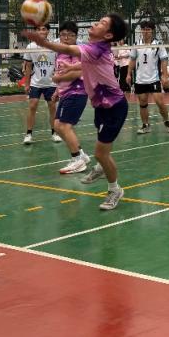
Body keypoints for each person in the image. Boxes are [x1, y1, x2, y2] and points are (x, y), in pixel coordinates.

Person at [25, 13, 130, 211]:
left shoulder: (95, 48)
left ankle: (115, 190)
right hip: (101, 107)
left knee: (100, 153)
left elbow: (66, 48)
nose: (95, 23)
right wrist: (71, 66)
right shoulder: (97, 49)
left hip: (114, 108)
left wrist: (42, 42)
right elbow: (87, 64)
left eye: (101, 23)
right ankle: (102, 166)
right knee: (102, 153)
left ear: (108, 35)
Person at [52, 20, 91, 175]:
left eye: (70, 35)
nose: (66, 37)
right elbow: (61, 72)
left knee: (65, 126)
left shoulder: (76, 51)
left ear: (76, 36)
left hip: (77, 92)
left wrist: (59, 78)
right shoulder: (60, 52)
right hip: (65, 93)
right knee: (57, 125)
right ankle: (81, 154)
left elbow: (79, 72)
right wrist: (57, 90)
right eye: (63, 34)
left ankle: (77, 161)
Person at [127, 20, 169, 134]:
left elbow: (164, 60)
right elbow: (132, 60)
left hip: (154, 79)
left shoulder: (158, 44)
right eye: (143, 29)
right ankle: (145, 125)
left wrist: (165, 76)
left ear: (152, 31)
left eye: (148, 29)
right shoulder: (137, 44)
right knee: (142, 103)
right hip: (140, 80)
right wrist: (128, 74)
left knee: (159, 102)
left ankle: (166, 121)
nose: (145, 31)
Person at [22, 23, 60, 145]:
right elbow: (28, 66)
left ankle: (54, 133)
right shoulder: (30, 46)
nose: (41, 31)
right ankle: (28, 134)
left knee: (52, 107)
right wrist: (27, 84)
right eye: (38, 29)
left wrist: (59, 83)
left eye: (44, 29)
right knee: (32, 106)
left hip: (51, 83)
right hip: (36, 83)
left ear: (48, 31)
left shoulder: (54, 46)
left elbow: (59, 64)